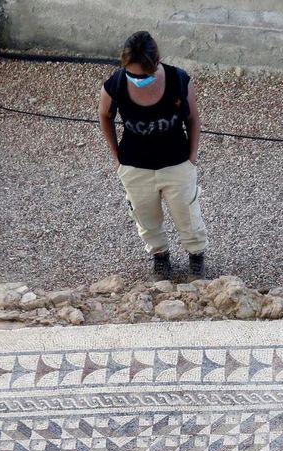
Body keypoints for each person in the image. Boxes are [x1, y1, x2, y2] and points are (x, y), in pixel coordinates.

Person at [98, 31, 208, 279]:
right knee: (145, 216)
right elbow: (104, 115)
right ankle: (160, 257)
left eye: (143, 76)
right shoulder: (116, 83)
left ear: (155, 63)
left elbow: (193, 119)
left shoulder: (179, 80)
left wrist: (191, 157)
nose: (137, 79)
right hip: (135, 166)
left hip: (177, 162)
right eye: (132, 75)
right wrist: (116, 157)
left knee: (187, 214)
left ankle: (196, 257)